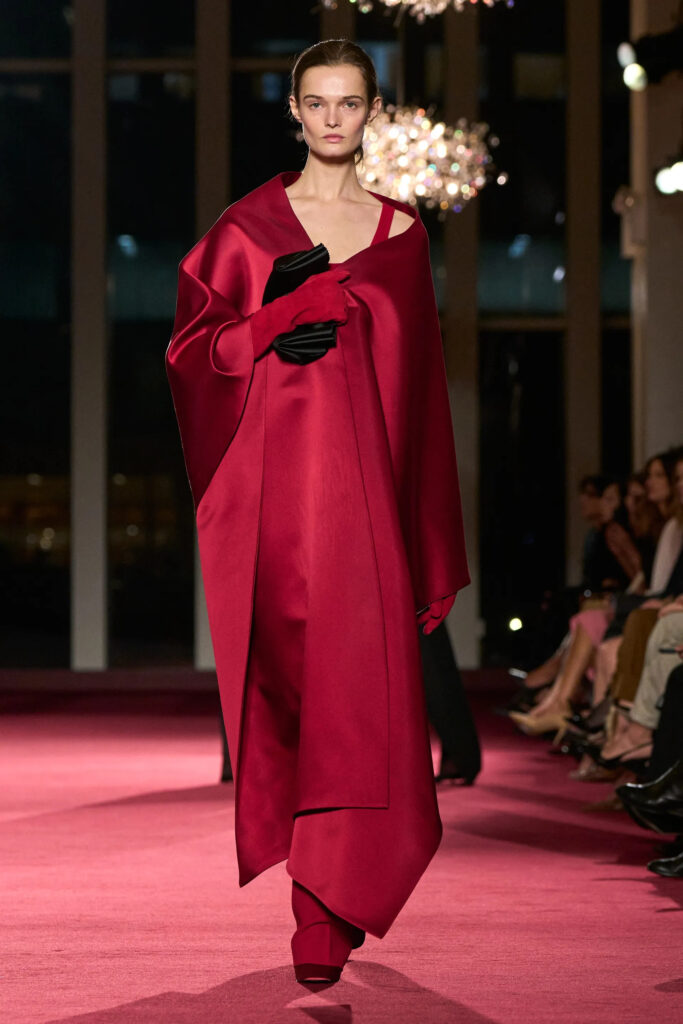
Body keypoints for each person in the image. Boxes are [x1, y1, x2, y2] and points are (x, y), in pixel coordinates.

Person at [166, 39, 469, 985]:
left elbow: (422, 397)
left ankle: (326, 903)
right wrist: (267, 322)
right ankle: (315, 892)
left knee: (363, 700)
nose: (332, 118)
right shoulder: (246, 230)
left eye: (349, 102)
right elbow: (192, 357)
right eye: (316, 101)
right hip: (278, 503)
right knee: (295, 691)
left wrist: (428, 541)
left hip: (367, 504)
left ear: (372, 111)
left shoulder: (402, 237)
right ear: (294, 111)